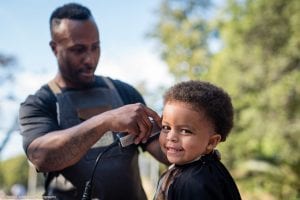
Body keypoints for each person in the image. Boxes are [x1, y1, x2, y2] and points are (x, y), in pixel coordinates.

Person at [19, 3, 167, 200]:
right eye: (78, 49)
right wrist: (106, 121)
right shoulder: (39, 103)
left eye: (95, 47)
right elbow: (41, 157)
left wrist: (195, 143)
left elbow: (165, 150)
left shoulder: (124, 92)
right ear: (55, 48)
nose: (89, 59)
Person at [153, 80, 242, 200]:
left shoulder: (195, 183)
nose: (170, 137)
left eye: (185, 131)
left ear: (211, 142)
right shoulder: (203, 169)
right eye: (166, 127)